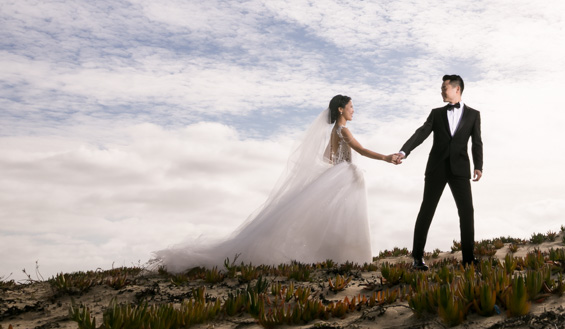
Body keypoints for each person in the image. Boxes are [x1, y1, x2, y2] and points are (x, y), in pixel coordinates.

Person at [153, 95, 394, 272]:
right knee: (346, 217)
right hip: (346, 175)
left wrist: (333, 172)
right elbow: (360, 150)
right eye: (352, 107)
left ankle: (344, 257)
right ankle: (353, 258)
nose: (354, 111)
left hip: (339, 174)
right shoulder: (343, 130)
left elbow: (326, 158)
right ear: (341, 109)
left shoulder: (333, 131)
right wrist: (386, 157)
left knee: (338, 218)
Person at [390, 75, 483, 269]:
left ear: (457, 89)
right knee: (427, 210)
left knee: (467, 212)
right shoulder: (436, 113)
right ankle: (417, 258)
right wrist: (403, 151)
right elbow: (421, 133)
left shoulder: (474, 114)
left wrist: (478, 165)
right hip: (436, 168)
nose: (441, 91)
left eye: (444, 88)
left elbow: (476, 142)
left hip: (460, 169)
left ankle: (468, 259)